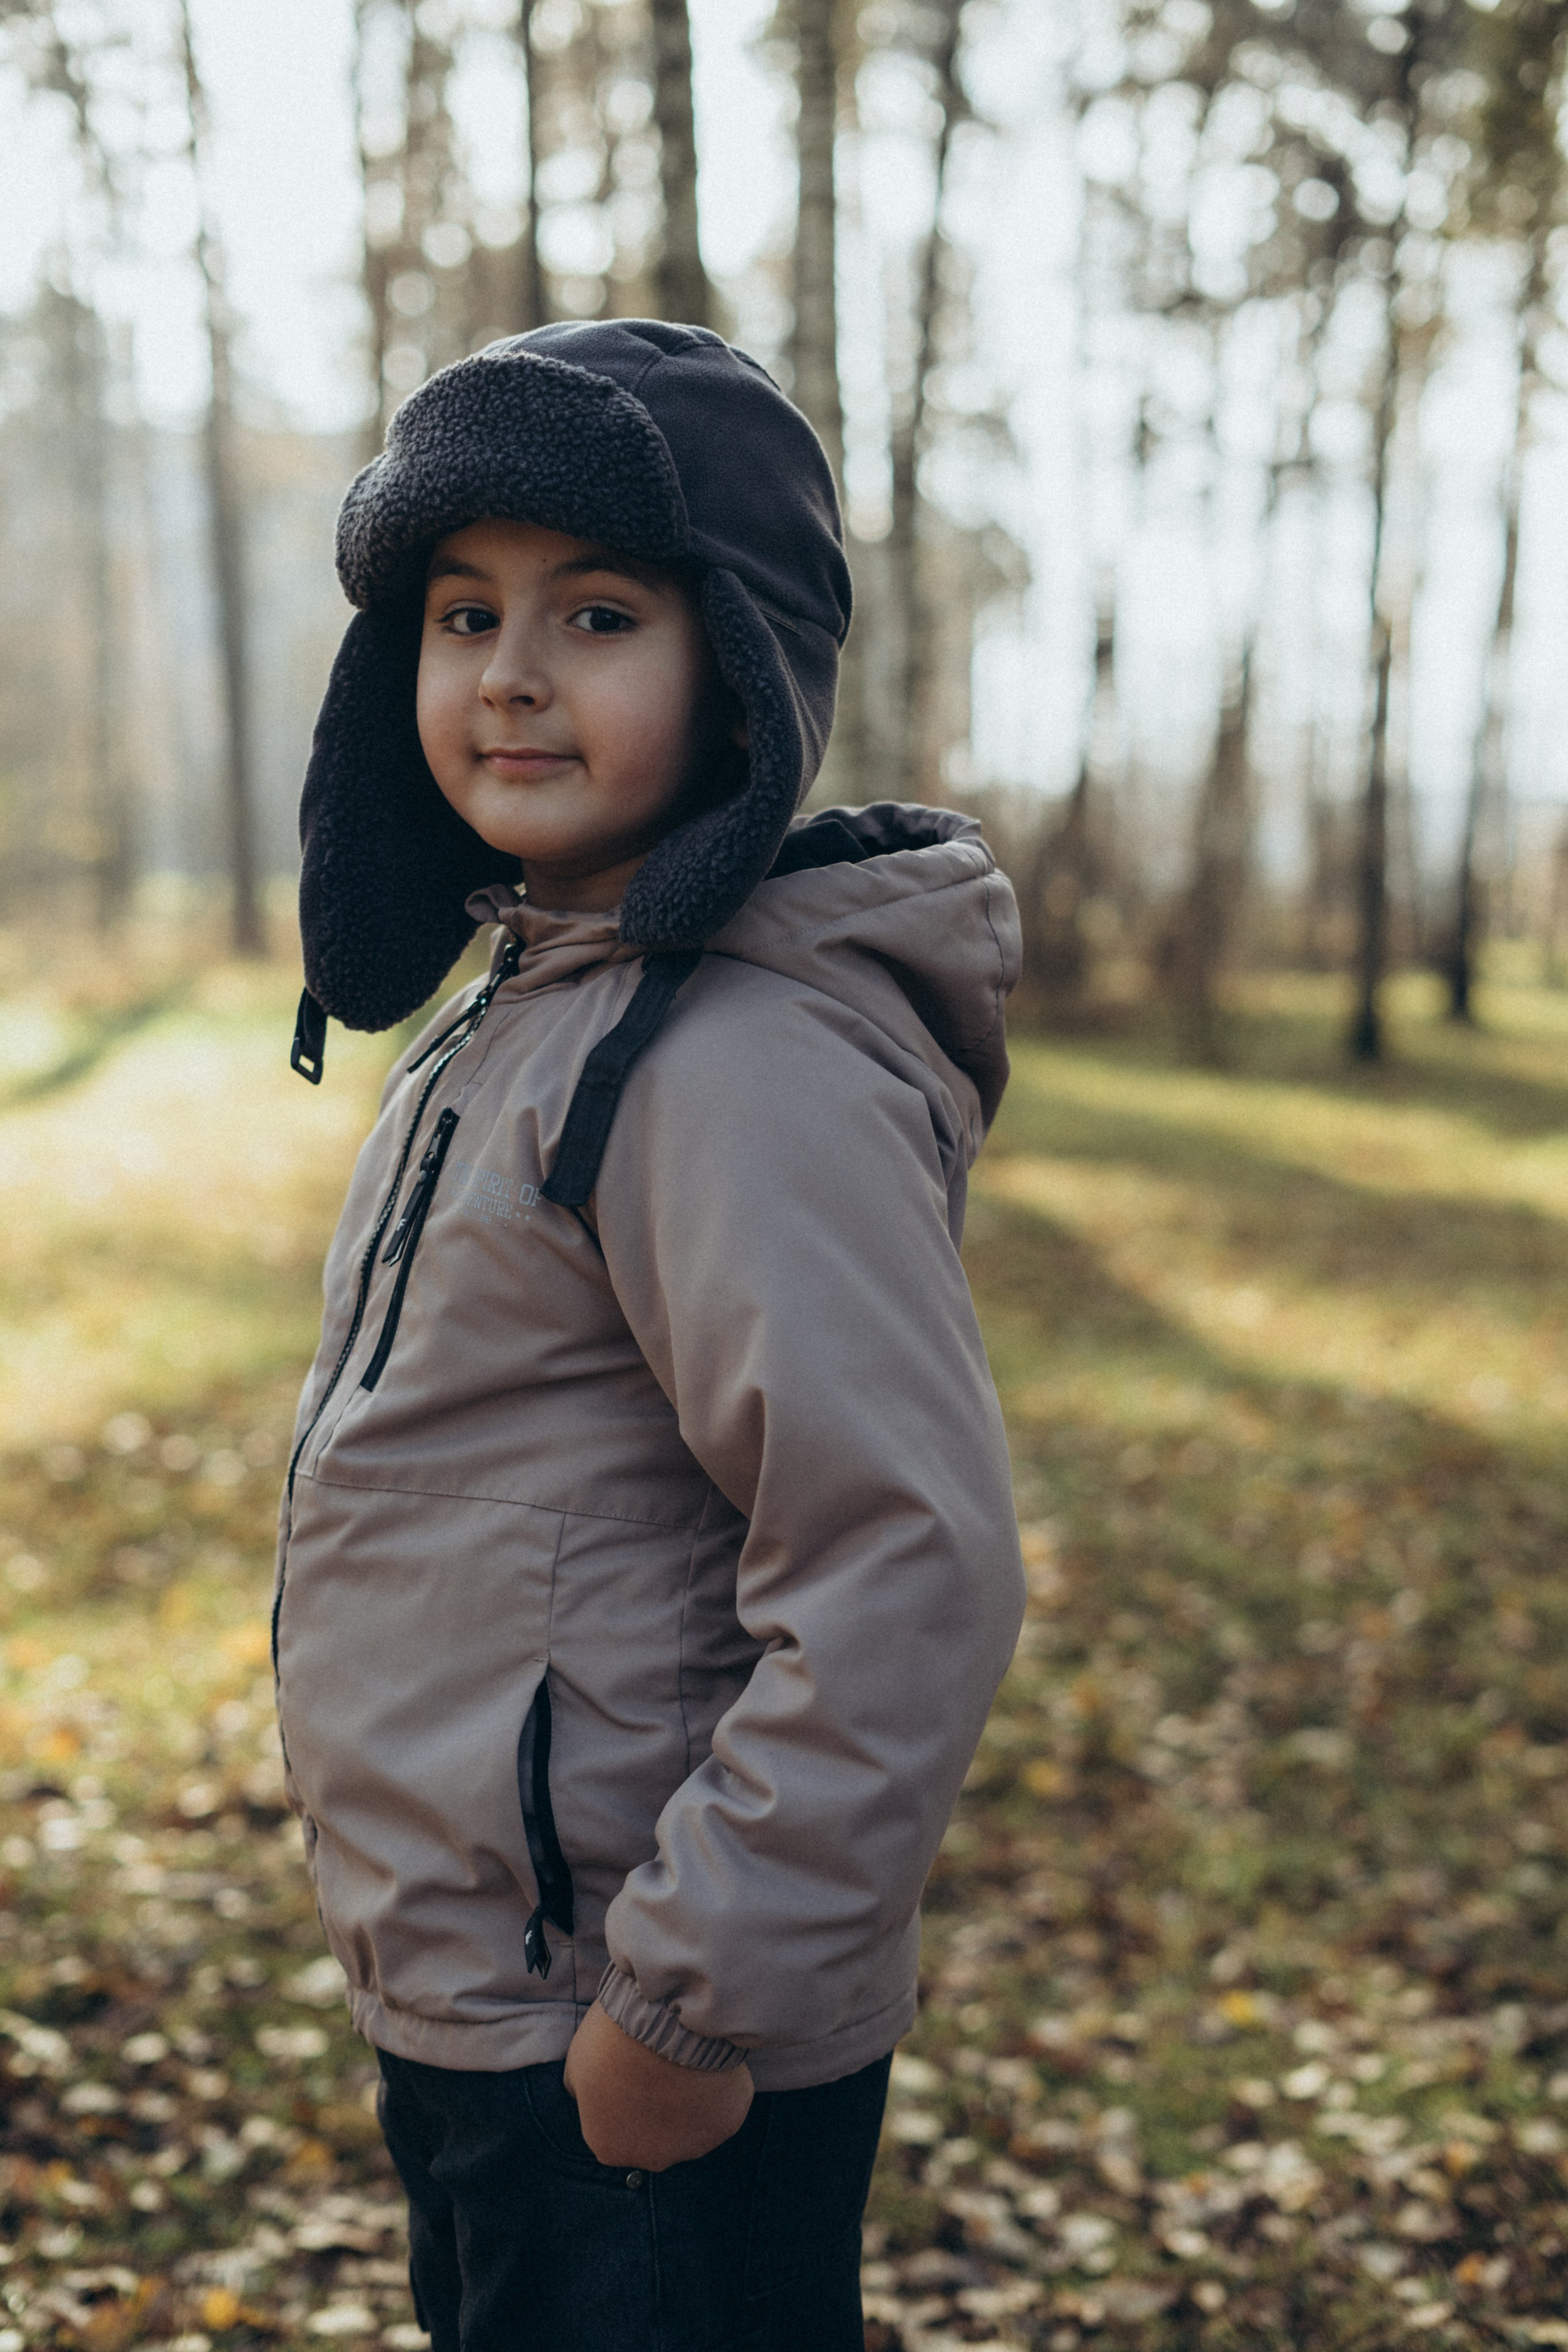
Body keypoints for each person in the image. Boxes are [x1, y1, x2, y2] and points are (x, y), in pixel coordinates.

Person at [275, 318, 1025, 2352]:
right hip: (493, 1996)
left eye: (597, 612)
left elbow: (901, 1558)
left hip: (636, 2029)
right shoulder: (542, 1003)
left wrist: (695, 1997)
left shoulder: (740, 1065)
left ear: (745, 667)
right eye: (459, 613)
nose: (509, 673)